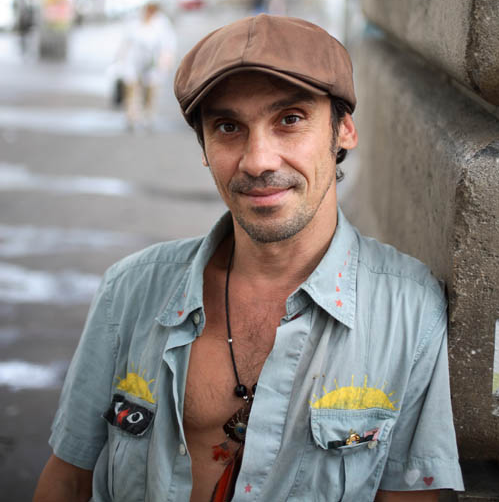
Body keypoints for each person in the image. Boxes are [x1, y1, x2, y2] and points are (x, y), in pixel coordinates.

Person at [34, 14, 464, 502]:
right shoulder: (129, 292)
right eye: (228, 126)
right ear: (204, 147)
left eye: (290, 119)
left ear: (344, 129)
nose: (258, 160)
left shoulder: (408, 312)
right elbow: (67, 479)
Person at [116, 1, 176, 130]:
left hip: (153, 61)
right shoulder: (133, 20)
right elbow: (125, 41)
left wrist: (167, 60)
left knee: (150, 90)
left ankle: (148, 116)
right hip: (133, 60)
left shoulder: (162, 22)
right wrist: (120, 59)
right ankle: (131, 116)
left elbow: (169, 44)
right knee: (131, 89)